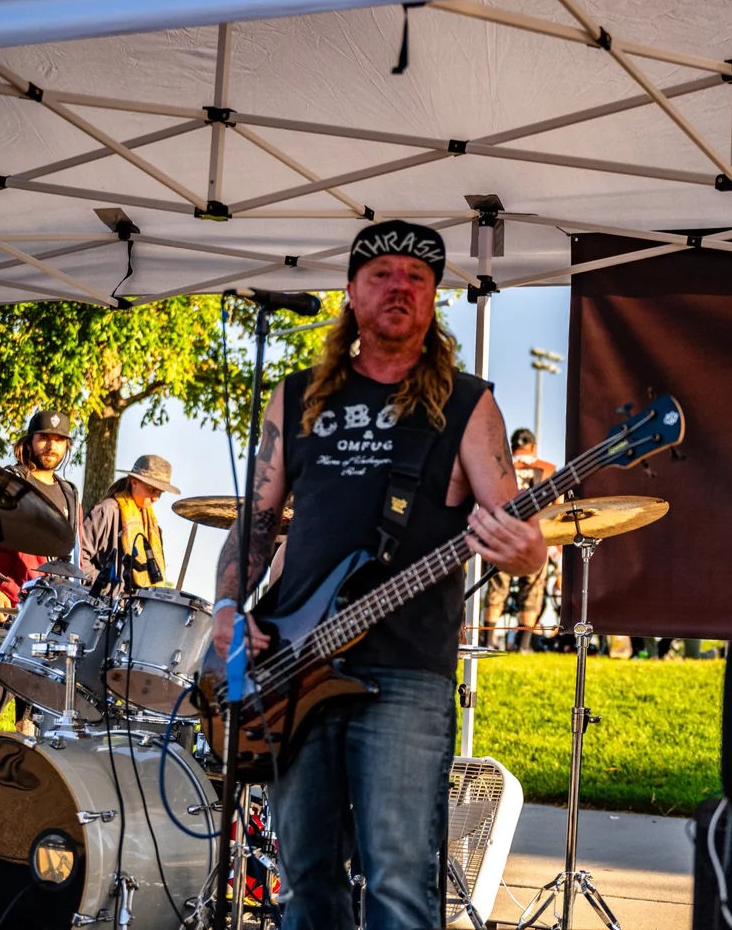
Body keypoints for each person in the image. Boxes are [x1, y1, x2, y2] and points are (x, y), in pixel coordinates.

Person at [210, 219, 548, 930]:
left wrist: (525, 553)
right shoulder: (297, 396)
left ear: (433, 298)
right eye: (382, 275)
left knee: (398, 879)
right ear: (350, 292)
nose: (400, 287)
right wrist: (228, 608)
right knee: (305, 880)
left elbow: (518, 534)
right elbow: (257, 522)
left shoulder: (468, 404)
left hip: (406, 672)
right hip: (294, 666)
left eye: (417, 278)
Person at [0, 410, 85, 735]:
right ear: (29, 442)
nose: (51, 446)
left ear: (67, 446)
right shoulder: (8, 482)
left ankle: (21, 759)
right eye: (44, 438)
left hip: (49, 609)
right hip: (7, 605)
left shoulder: (69, 493)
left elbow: (72, 553)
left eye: (59, 440)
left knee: (34, 705)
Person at [481, 427, 556, 651]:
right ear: (533, 447)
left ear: (512, 447)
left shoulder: (500, 468)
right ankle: (523, 646)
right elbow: (557, 508)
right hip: (535, 538)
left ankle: (489, 642)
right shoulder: (547, 469)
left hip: (500, 537)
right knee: (532, 591)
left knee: (496, 589)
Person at [82, 454, 181, 594]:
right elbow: (79, 558)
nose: (155, 498)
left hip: (135, 605)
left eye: (160, 493)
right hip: (101, 603)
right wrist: (107, 587)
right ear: (134, 482)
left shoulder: (154, 527)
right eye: (152, 490)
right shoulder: (107, 511)